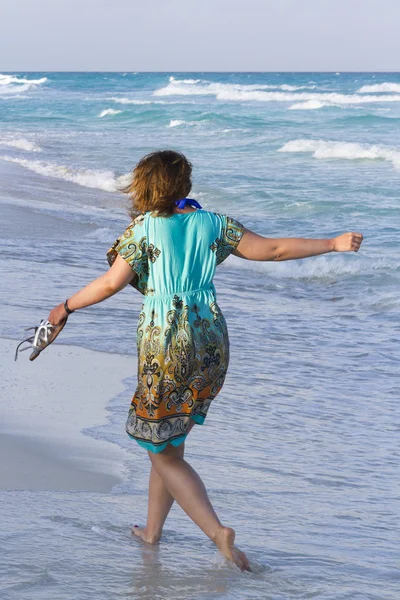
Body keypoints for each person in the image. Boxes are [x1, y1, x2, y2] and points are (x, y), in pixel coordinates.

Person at [48, 150, 363, 571]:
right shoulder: (213, 224)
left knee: (160, 449)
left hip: (167, 345)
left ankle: (218, 533)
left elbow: (110, 284)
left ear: (143, 187)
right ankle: (152, 532)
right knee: (170, 439)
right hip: (211, 339)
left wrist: (64, 307)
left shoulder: (142, 230)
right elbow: (270, 250)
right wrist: (332, 243)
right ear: (184, 185)